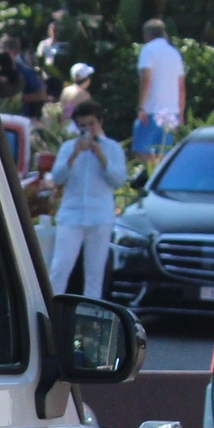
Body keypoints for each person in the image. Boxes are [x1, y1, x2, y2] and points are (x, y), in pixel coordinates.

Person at [47, 100, 126, 300]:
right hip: (71, 215)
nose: (88, 129)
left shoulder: (113, 148)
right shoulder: (68, 147)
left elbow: (118, 180)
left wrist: (102, 157)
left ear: (100, 122)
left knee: (94, 274)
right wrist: (74, 155)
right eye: (83, 126)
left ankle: (91, 317)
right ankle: (50, 311)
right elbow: (57, 177)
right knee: (60, 267)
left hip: (100, 215)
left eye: (92, 124)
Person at [134, 20, 186, 158]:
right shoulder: (175, 53)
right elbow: (181, 86)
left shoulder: (148, 50)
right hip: (172, 113)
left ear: (147, 35)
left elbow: (146, 80)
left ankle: (153, 176)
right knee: (163, 153)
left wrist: (141, 107)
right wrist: (181, 114)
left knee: (140, 151)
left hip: (152, 110)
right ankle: (157, 175)